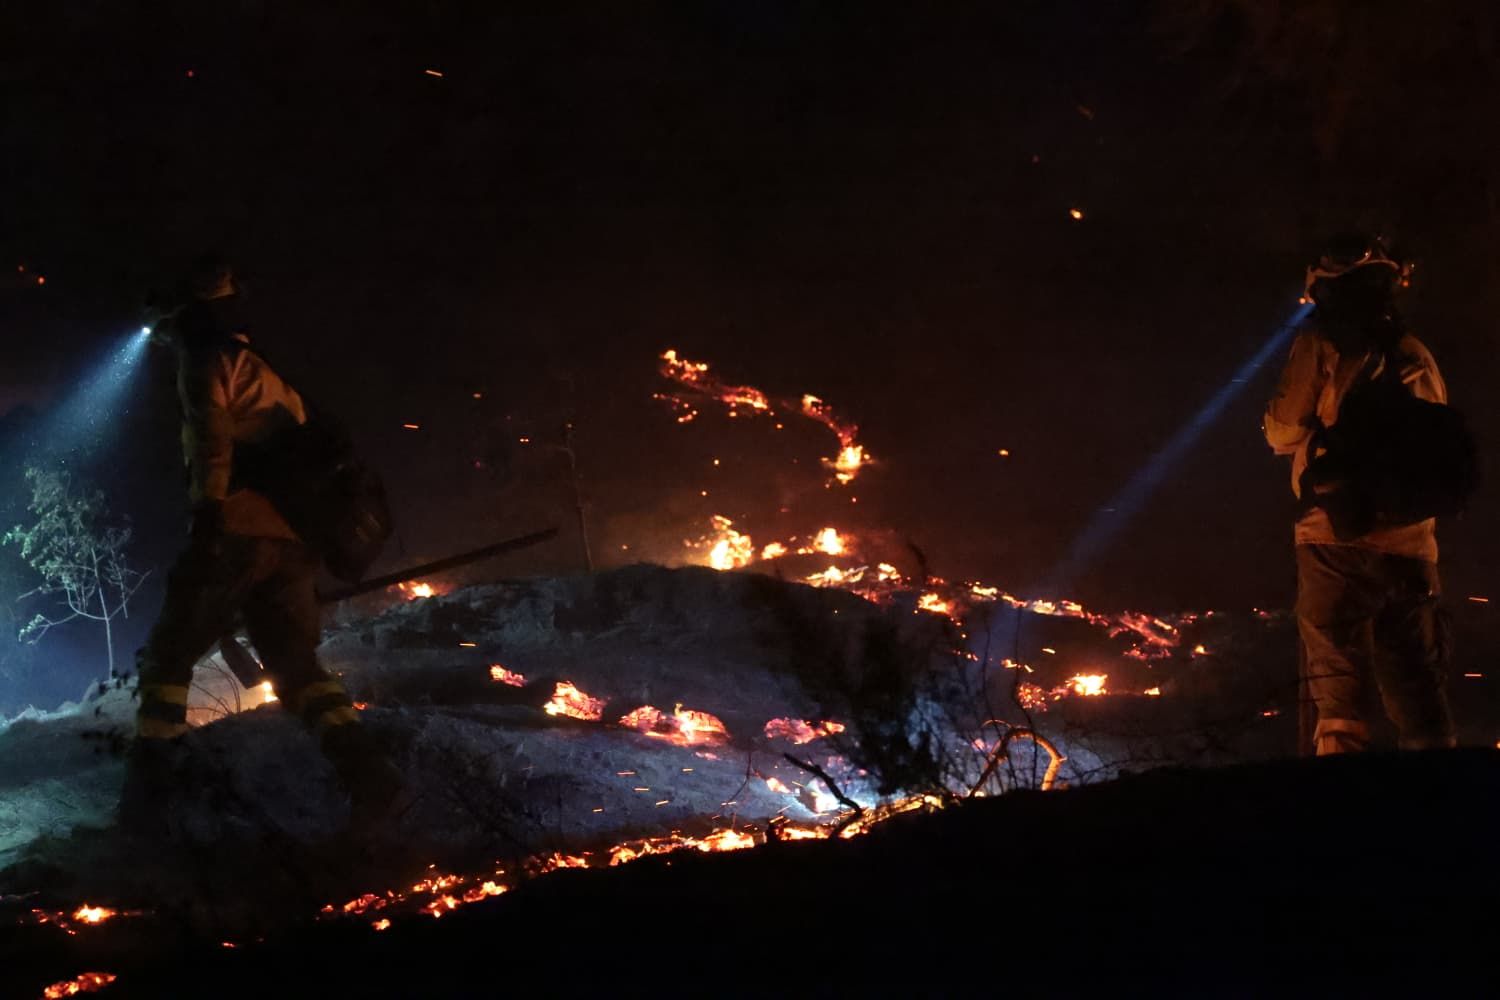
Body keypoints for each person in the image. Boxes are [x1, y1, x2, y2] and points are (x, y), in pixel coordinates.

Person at [122, 255, 403, 831]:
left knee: (167, 661)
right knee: (298, 668)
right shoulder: (261, 367)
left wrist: (208, 511)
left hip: (239, 532)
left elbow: (211, 440)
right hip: (292, 545)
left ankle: (151, 808)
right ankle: (372, 777)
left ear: (185, 314)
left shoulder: (205, 360)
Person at [1264, 234, 1456, 755]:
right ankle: (1446, 810)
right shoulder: (1417, 353)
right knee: (1418, 689)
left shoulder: (1323, 342)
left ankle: (1340, 816)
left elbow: (1282, 429)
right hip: (1413, 545)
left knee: (1338, 689)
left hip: (1333, 537)